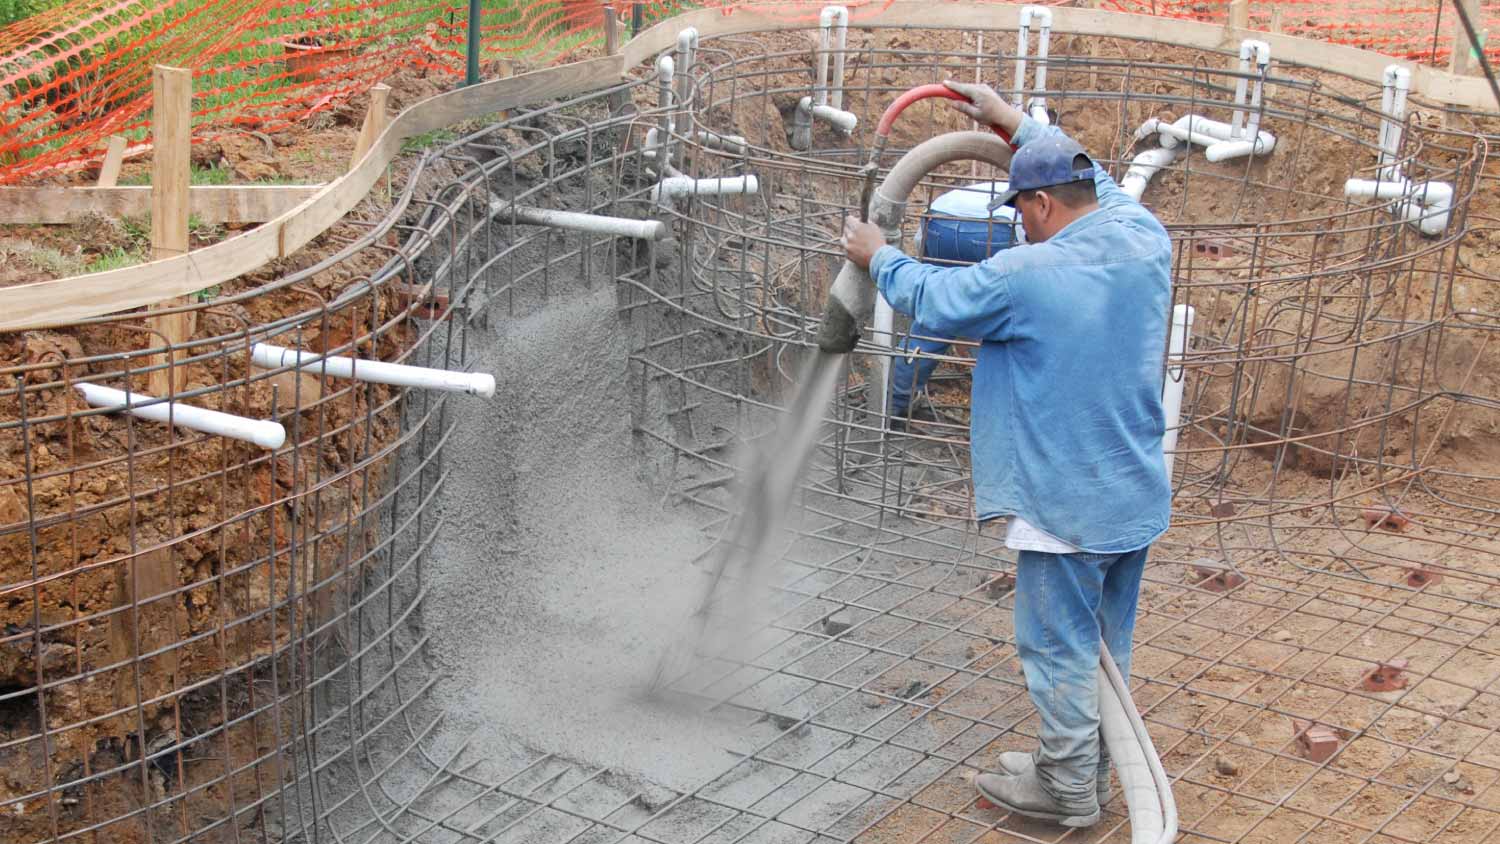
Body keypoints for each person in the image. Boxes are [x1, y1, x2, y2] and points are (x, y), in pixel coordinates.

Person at [841, 80, 1173, 828]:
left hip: (1063, 503)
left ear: (1044, 206)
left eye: (1020, 209)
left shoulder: (1029, 275)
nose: (1018, 225)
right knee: (1103, 649)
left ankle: (1065, 790)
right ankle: (1086, 762)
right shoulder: (1143, 234)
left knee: (1055, 646)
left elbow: (938, 298)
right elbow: (1103, 179)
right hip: (1132, 491)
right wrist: (1016, 126)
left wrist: (878, 254)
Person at [890, 182, 1022, 426]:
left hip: (939, 220)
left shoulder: (1025, 184)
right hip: (999, 229)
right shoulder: (1081, 209)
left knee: (935, 314)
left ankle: (896, 401)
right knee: (1004, 316)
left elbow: (922, 249)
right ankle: (998, 414)